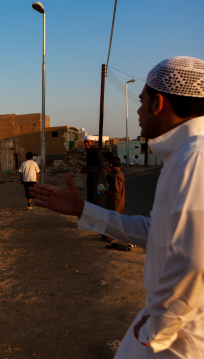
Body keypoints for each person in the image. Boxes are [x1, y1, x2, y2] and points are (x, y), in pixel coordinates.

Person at [30, 56, 204, 358]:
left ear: (158, 103)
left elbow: (195, 260)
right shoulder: (183, 155)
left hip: (178, 341)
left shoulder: (196, 157)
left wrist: (159, 328)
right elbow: (157, 233)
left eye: (141, 101)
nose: (137, 111)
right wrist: (84, 210)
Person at [78, 135, 106, 206]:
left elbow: (100, 166)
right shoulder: (89, 152)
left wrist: (85, 170)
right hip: (92, 179)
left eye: (88, 142)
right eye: (85, 142)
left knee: (99, 198)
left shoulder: (96, 152)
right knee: (91, 199)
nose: (86, 144)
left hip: (99, 180)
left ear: (93, 142)